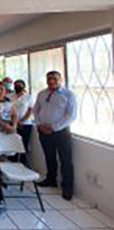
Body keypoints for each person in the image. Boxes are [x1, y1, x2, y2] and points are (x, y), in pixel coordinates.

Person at [34, 71, 77, 200]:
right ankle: (51, 180)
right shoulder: (42, 94)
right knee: (49, 157)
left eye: (54, 79)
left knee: (66, 160)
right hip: (43, 131)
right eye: (49, 79)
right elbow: (36, 110)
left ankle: (67, 188)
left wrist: (53, 127)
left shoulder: (68, 95)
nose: (51, 81)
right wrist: (39, 124)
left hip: (61, 132)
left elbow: (71, 115)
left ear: (61, 79)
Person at [10, 80, 34, 166]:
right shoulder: (10, 96)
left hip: (26, 124)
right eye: (16, 85)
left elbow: (30, 110)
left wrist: (21, 121)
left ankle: (24, 164)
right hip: (12, 124)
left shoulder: (29, 97)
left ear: (24, 86)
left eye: (19, 85)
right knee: (12, 143)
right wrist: (15, 122)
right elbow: (8, 110)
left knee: (24, 144)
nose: (17, 86)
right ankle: (13, 163)